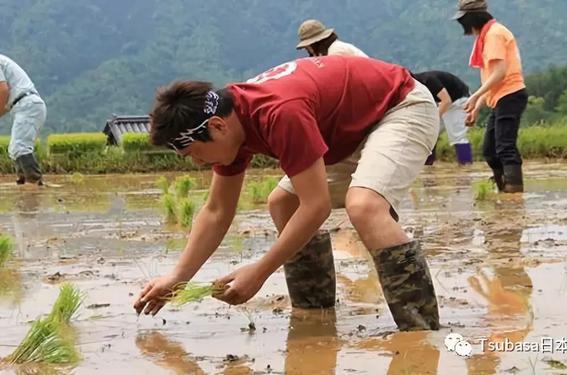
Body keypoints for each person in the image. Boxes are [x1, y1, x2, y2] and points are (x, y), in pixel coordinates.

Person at [133, 56, 441, 331]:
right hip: (353, 131)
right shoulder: (232, 126)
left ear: (216, 126)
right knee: (283, 203)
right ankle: (316, 312)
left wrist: (260, 271)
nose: (199, 163)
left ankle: (420, 329)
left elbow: (316, 205)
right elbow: (217, 211)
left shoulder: (278, 112)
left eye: (196, 153)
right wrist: (178, 277)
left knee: (364, 206)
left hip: (402, 106)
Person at [453, 0, 528, 193]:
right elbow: (491, 77)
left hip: (510, 94)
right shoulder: (486, 36)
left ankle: (514, 191)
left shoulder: (494, 34)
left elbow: (500, 73)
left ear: (471, 19)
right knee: (490, 150)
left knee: (505, 146)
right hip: (499, 97)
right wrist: (477, 106)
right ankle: (503, 186)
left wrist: (475, 96)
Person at [0, 54, 46, 185]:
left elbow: (3, 91)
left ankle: (36, 184)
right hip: (25, 105)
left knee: (19, 147)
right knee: (14, 150)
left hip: (27, 104)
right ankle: (24, 183)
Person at [413, 70, 474, 165]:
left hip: (459, 101)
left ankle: (466, 165)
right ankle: (428, 165)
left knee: (457, 135)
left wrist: (433, 118)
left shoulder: (428, 80)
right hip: (445, 102)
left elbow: (447, 100)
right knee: (431, 132)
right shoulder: (417, 86)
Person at [296, 19, 368, 57]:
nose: (307, 50)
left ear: (314, 44)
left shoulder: (336, 51)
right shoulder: (331, 50)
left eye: (307, 47)